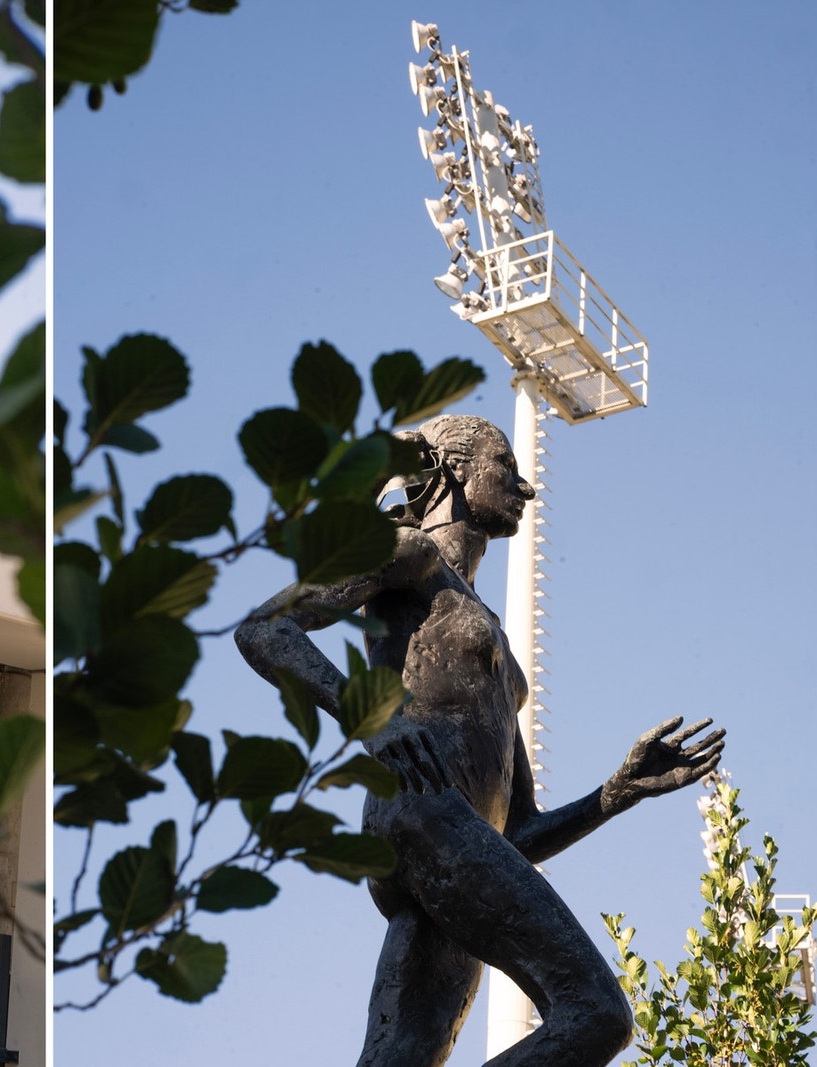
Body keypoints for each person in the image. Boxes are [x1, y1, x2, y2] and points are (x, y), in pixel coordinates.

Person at [234, 413, 723, 1067]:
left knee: (403, 1052)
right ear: (451, 473)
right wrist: (377, 721)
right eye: (504, 465)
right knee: (596, 1011)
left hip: (457, 837)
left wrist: (614, 794)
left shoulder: (485, 627)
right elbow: (266, 628)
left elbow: (514, 836)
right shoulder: (409, 550)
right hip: (424, 808)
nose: (523, 486)